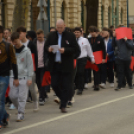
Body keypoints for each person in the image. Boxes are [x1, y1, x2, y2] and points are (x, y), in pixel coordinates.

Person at [44, 19, 80, 113]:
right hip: (55, 65)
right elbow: (46, 46)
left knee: (66, 86)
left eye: (61, 27)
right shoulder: (51, 35)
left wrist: (66, 50)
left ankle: (63, 105)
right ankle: (63, 98)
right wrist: (49, 49)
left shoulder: (70, 36)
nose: (59, 29)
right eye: (57, 27)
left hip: (66, 65)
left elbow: (76, 50)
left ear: (64, 26)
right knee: (54, 84)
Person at [9, 32, 33, 121]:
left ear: (19, 39)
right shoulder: (12, 51)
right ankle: (19, 108)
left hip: (23, 77)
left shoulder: (26, 50)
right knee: (12, 96)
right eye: (13, 42)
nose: (15, 43)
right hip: (13, 76)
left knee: (22, 96)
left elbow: (30, 65)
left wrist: (29, 77)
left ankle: (20, 113)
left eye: (16, 41)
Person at [0, 26, 19, 129]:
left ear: (2, 34)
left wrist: (16, 77)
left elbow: (14, 62)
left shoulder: (8, 46)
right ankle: (5, 116)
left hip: (4, 76)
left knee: (1, 100)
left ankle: (0, 121)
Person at [16, 26, 39, 111]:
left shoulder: (31, 44)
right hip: (20, 70)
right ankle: (22, 105)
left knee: (32, 88)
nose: (19, 35)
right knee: (21, 89)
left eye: (20, 33)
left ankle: (35, 101)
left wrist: (34, 69)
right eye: (18, 34)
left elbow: (35, 57)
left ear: (25, 33)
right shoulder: (17, 45)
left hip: (30, 69)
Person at [74, 27, 95, 95]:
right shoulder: (72, 40)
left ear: (81, 33)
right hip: (74, 59)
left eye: (78, 32)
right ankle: (76, 85)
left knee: (80, 72)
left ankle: (80, 88)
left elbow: (89, 49)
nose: (76, 33)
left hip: (82, 59)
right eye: (75, 32)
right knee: (75, 73)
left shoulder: (85, 40)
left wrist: (92, 58)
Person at [112, 26, 134, 91]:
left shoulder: (130, 39)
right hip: (120, 58)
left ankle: (130, 84)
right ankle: (119, 85)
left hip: (127, 58)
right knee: (120, 72)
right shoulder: (118, 39)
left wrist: (126, 41)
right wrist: (114, 37)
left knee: (128, 72)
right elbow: (113, 45)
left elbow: (132, 47)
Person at [88, 26, 106, 91]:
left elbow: (104, 49)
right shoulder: (89, 39)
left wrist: (103, 58)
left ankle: (97, 84)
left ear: (96, 32)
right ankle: (95, 83)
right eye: (90, 32)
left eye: (92, 32)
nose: (92, 33)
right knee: (94, 70)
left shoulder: (100, 39)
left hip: (98, 56)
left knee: (97, 70)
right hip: (92, 57)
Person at [34, 29, 48, 105]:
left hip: (43, 65)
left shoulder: (46, 42)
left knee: (42, 81)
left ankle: (41, 97)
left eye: (40, 37)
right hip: (36, 65)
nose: (39, 38)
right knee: (37, 82)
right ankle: (44, 94)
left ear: (43, 35)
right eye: (38, 37)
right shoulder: (34, 42)